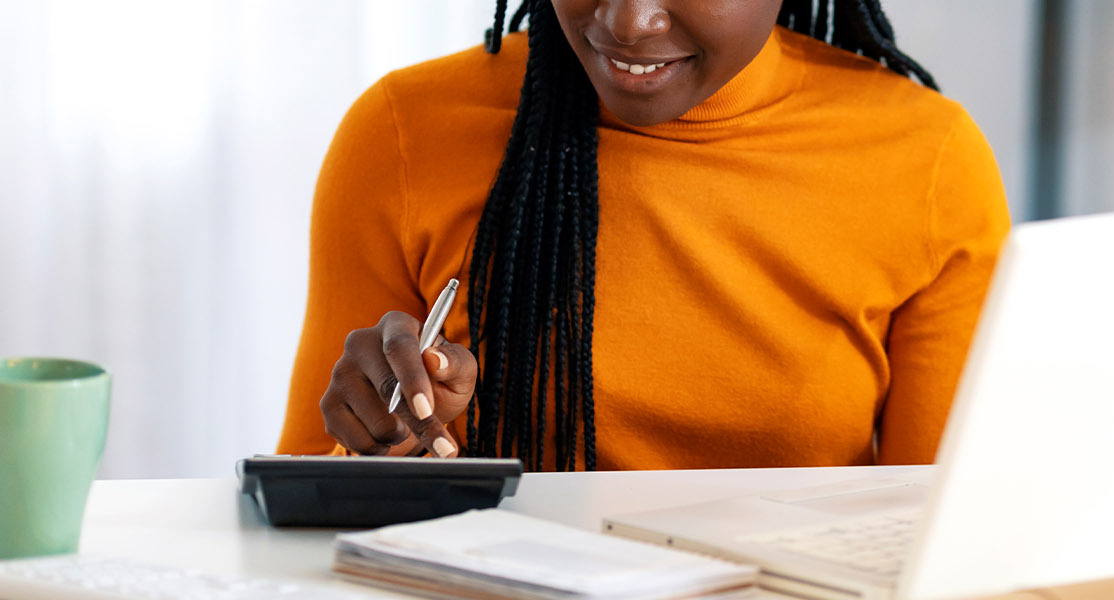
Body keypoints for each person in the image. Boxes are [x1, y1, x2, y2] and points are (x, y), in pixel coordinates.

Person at [276, 0, 1010, 472]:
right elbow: (306, 514)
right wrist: (386, 440)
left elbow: (947, 533)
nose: (628, 23)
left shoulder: (925, 160)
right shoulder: (406, 134)